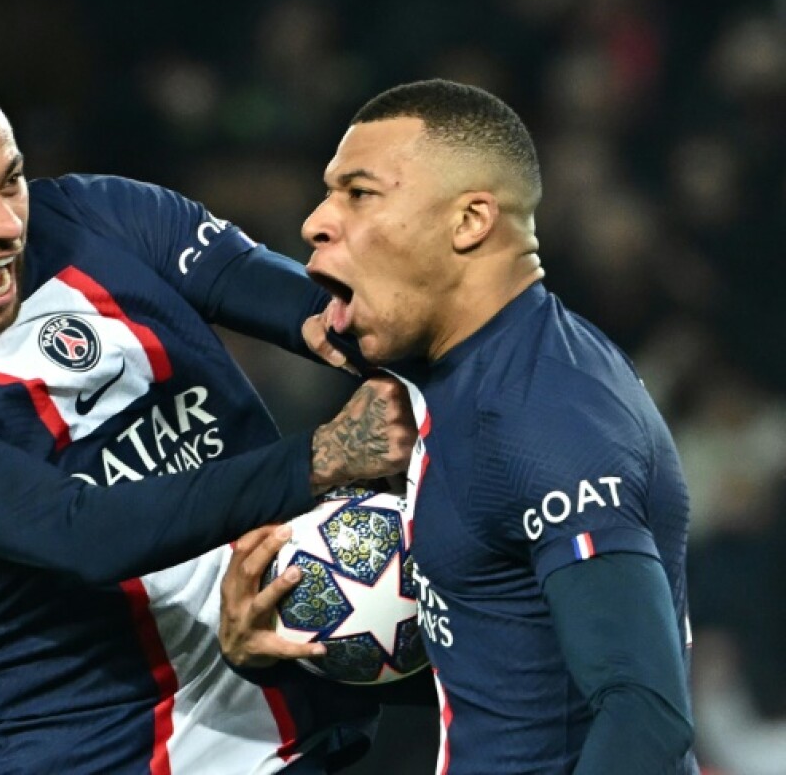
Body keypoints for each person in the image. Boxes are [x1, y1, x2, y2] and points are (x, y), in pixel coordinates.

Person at [0, 42, 427, 775]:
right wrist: (319, 459)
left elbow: (326, 316)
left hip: (304, 724)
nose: (6, 223)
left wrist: (401, 343)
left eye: (13, 181)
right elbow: (79, 534)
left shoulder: (109, 215)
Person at [219, 79, 699, 774]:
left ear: (470, 220)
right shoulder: (473, 376)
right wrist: (286, 653)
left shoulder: (548, 414)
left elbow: (644, 716)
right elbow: (510, 678)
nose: (316, 221)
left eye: (359, 193)